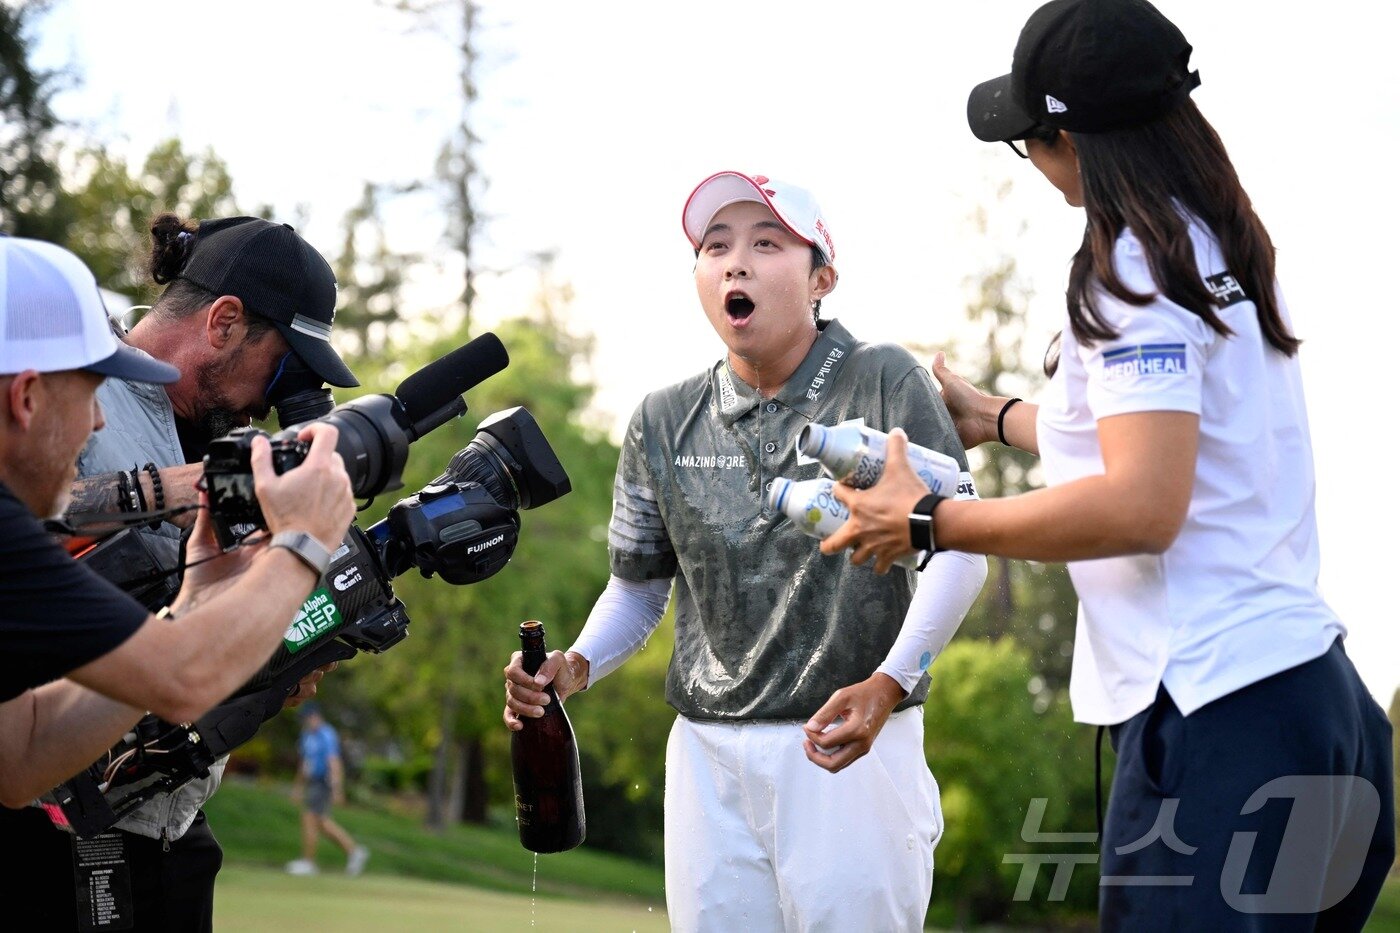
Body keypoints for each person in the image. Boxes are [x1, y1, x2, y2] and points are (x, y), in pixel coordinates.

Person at [825, 1, 1395, 928]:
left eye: (1030, 142)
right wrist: (1003, 417)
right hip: (1323, 713)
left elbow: (1142, 503)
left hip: (1220, 720)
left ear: (1070, 140)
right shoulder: (1223, 245)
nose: (1035, 167)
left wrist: (929, 519)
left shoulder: (1130, 264)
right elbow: (1176, 446)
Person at [504, 172, 987, 931]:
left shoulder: (887, 379)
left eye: (767, 244)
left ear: (821, 276)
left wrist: (891, 683)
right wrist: (578, 663)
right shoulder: (662, 419)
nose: (736, 263)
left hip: (851, 747)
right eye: (716, 246)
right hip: (705, 760)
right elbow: (637, 588)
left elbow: (962, 551)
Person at [2, 213, 362, 932]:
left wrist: (206, 611)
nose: (97, 423)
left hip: (161, 828)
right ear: (28, 395)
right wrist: (303, 544)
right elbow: (177, 676)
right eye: (89, 389)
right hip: (54, 842)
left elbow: (23, 747)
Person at [286, 702, 369, 876]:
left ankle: (309, 862)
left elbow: (334, 762)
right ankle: (354, 851)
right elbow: (304, 764)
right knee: (321, 823)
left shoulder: (326, 734)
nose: (306, 722)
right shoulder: (306, 735)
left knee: (309, 818)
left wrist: (337, 788)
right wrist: (298, 787)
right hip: (314, 782)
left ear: (316, 716)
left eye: (308, 718)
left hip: (324, 782)